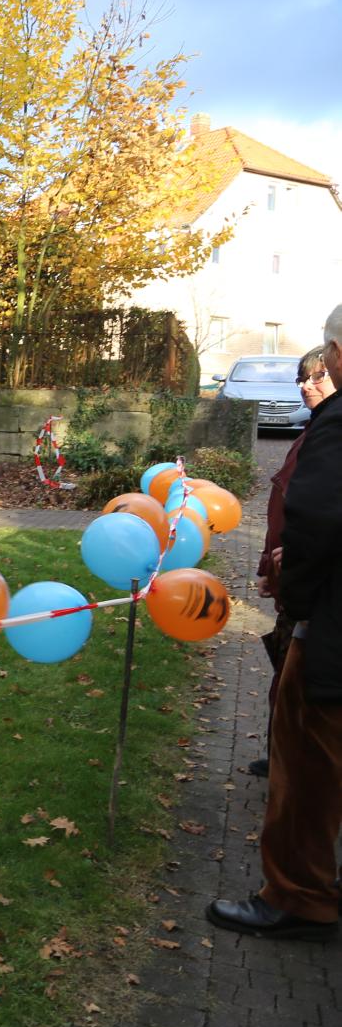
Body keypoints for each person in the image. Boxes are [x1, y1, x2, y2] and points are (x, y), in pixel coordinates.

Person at [208, 303, 342, 941]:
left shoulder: (337, 426)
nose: (315, 380)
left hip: (331, 635)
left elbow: (316, 517)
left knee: (305, 772)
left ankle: (297, 897)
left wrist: (298, 595)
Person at [247, 346, 335, 776]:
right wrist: (269, 566)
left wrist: (293, 566)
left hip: (314, 592)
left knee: (296, 683)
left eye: (318, 377)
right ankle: (281, 755)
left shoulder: (330, 437)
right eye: (303, 377)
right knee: (283, 675)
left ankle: (293, 768)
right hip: (291, 579)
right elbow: (284, 508)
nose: (306, 385)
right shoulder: (311, 434)